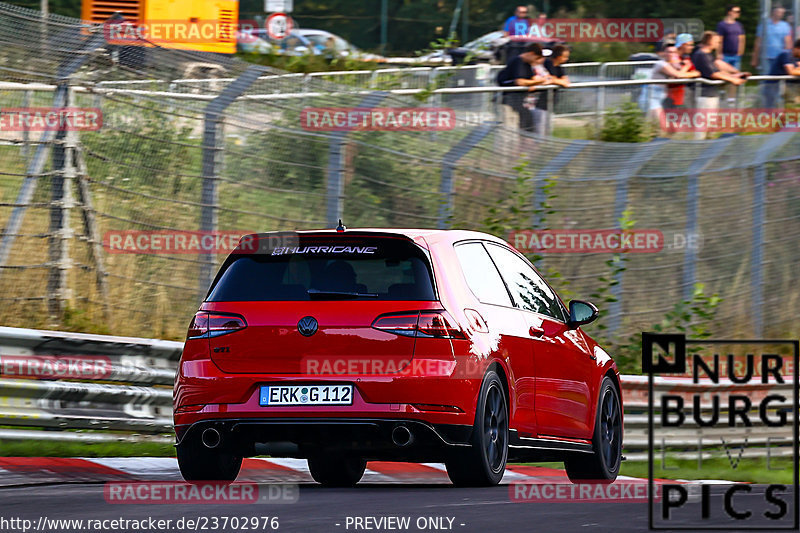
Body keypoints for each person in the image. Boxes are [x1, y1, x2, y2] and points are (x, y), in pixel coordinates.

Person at [692, 31, 748, 137]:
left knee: (711, 127)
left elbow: (718, 69)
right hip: (705, 96)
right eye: (716, 41)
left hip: (711, 95)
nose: (719, 43)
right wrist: (733, 80)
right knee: (702, 128)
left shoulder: (708, 55)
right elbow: (713, 74)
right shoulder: (701, 55)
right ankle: (697, 150)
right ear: (709, 41)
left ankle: (707, 150)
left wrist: (735, 75)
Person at [497, 42, 551, 133]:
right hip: (508, 102)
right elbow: (520, 82)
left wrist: (535, 83)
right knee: (507, 132)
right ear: (531, 54)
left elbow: (532, 80)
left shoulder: (528, 65)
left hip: (519, 103)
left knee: (524, 129)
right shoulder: (517, 62)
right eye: (537, 58)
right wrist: (540, 81)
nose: (538, 61)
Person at [643, 41, 700, 122]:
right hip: (652, 96)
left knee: (656, 125)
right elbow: (678, 75)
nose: (671, 54)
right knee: (661, 124)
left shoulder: (672, 64)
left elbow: (679, 74)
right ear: (664, 53)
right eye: (669, 52)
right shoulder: (661, 64)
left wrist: (686, 68)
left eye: (674, 52)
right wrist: (692, 72)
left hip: (662, 96)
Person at [533, 45, 570, 131]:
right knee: (538, 131)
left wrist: (554, 80)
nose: (566, 59)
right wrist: (556, 80)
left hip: (550, 105)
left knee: (548, 131)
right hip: (539, 104)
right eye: (565, 56)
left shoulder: (559, 68)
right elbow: (547, 78)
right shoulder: (547, 64)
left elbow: (566, 82)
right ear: (558, 56)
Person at [752, 6, 793, 72]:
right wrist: (754, 59)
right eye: (779, 12)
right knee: (766, 76)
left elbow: (788, 42)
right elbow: (758, 42)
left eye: (782, 13)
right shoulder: (764, 25)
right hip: (766, 56)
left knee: (778, 77)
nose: (780, 14)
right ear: (773, 12)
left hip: (780, 57)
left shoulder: (785, 25)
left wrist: (788, 56)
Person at [763, 38, 800, 107]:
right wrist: (796, 70)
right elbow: (791, 71)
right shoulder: (786, 55)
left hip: (784, 91)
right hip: (773, 88)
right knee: (771, 114)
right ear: (798, 48)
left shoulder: (797, 58)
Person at [716, 5, 745, 69]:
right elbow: (719, 40)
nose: (738, 13)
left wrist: (740, 52)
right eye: (736, 11)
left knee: (736, 73)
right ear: (729, 12)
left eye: (739, 12)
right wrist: (719, 53)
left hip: (736, 55)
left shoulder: (739, 25)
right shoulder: (722, 25)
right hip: (725, 54)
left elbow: (742, 39)